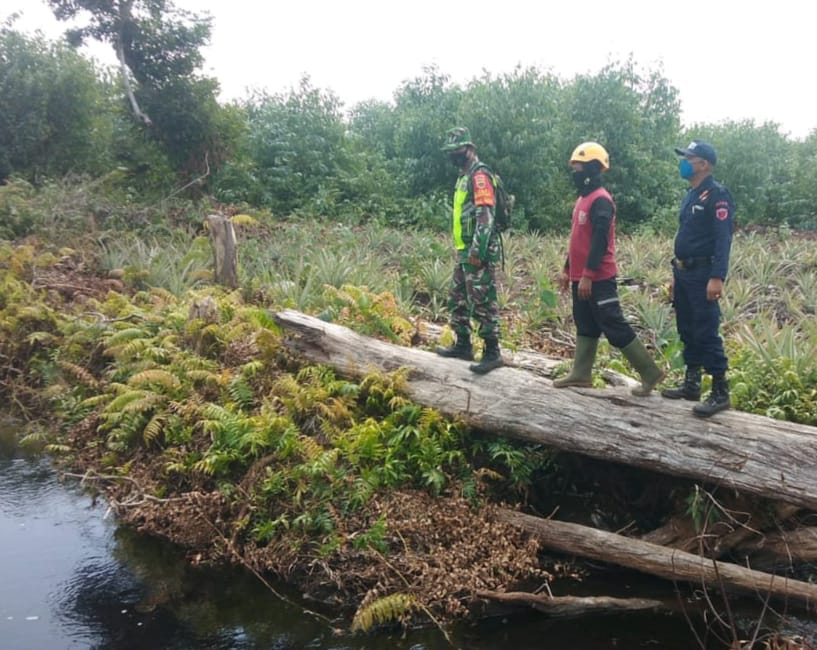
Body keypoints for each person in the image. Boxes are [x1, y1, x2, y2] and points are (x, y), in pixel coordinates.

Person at [554, 142, 665, 396]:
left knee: (612, 323)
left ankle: (650, 372)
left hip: (598, 278)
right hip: (580, 276)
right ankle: (581, 374)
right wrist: (566, 269)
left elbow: (600, 241)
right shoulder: (583, 199)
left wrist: (588, 276)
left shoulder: (601, 201)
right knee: (585, 323)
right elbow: (577, 239)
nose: (575, 173)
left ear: (593, 168)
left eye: (578, 168)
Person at [662, 140, 735, 417]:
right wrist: (675, 275)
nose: (684, 162)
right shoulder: (691, 194)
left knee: (706, 330)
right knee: (687, 328)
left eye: (688, 158)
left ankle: (720, 391)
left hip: (704, 273)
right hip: (684, 272)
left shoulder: (718, 196)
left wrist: (717, 276)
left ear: (704, 164)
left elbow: (722, 239)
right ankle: (692, 383)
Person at [435, 126, 504, 374]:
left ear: (470, 149)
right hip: (463, 249)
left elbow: (485, 216)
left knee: (483, 301)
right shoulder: (463, 176)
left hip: (477, 250)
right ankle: (463, 344)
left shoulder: (479, 175)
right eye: (451, 151)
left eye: (458, 149)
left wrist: (478, 250)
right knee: (458, 299)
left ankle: (493, 351)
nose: (454, 154)